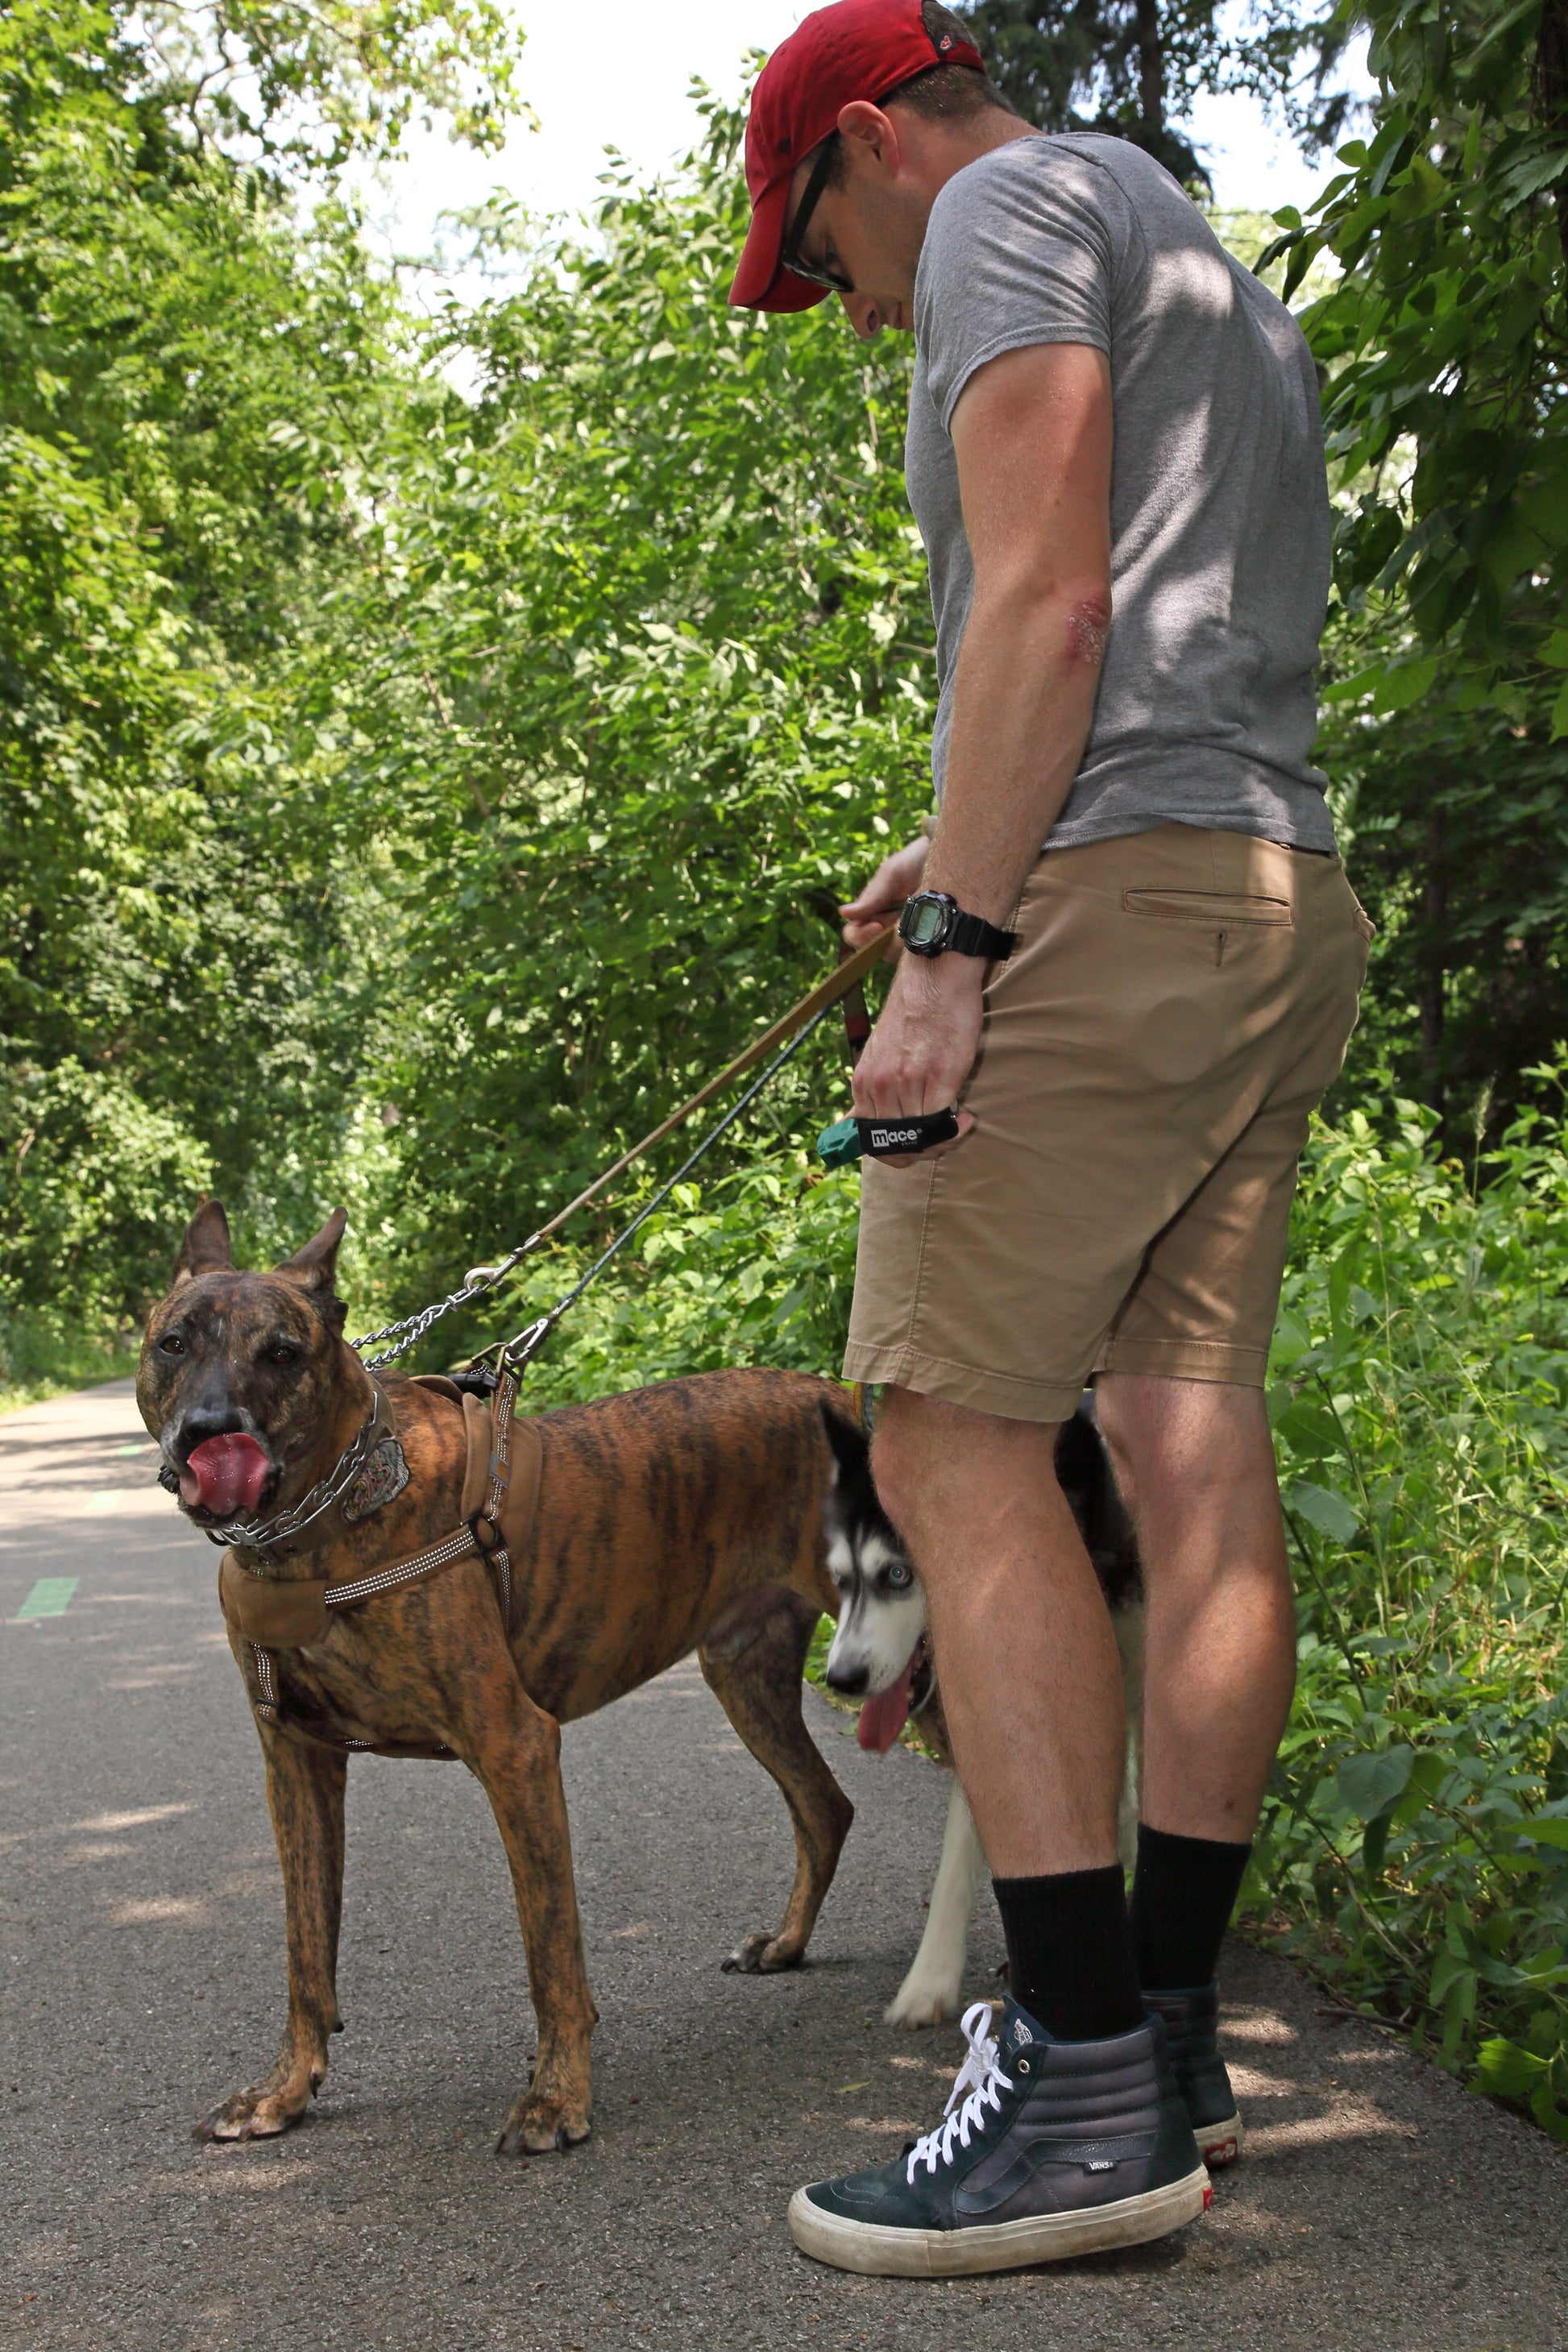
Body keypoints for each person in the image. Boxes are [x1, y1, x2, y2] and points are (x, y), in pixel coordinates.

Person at [729, 0, 1371, 2281]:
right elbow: (1158, 636)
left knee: (942, 1430)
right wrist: (949, 838)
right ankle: (1172, 2035)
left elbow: (1047, 591)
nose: (840, 307)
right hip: (1267, 890)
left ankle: (1076, 2088)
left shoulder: (1000, 206)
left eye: (814, 255)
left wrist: (962, 938)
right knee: (1181, 1431)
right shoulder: (1191, 243)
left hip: (1106, 910)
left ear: (873, 141)